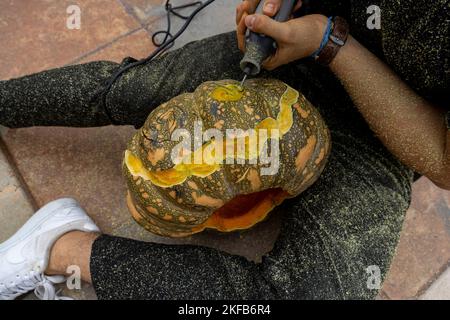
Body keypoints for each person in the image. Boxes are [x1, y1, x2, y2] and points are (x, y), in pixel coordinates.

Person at [0, 0, 448, 300]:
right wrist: (272, 10)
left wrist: (333, 44)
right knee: (132, 92)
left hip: (385, 131)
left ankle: (62, 247)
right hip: (292, 48)